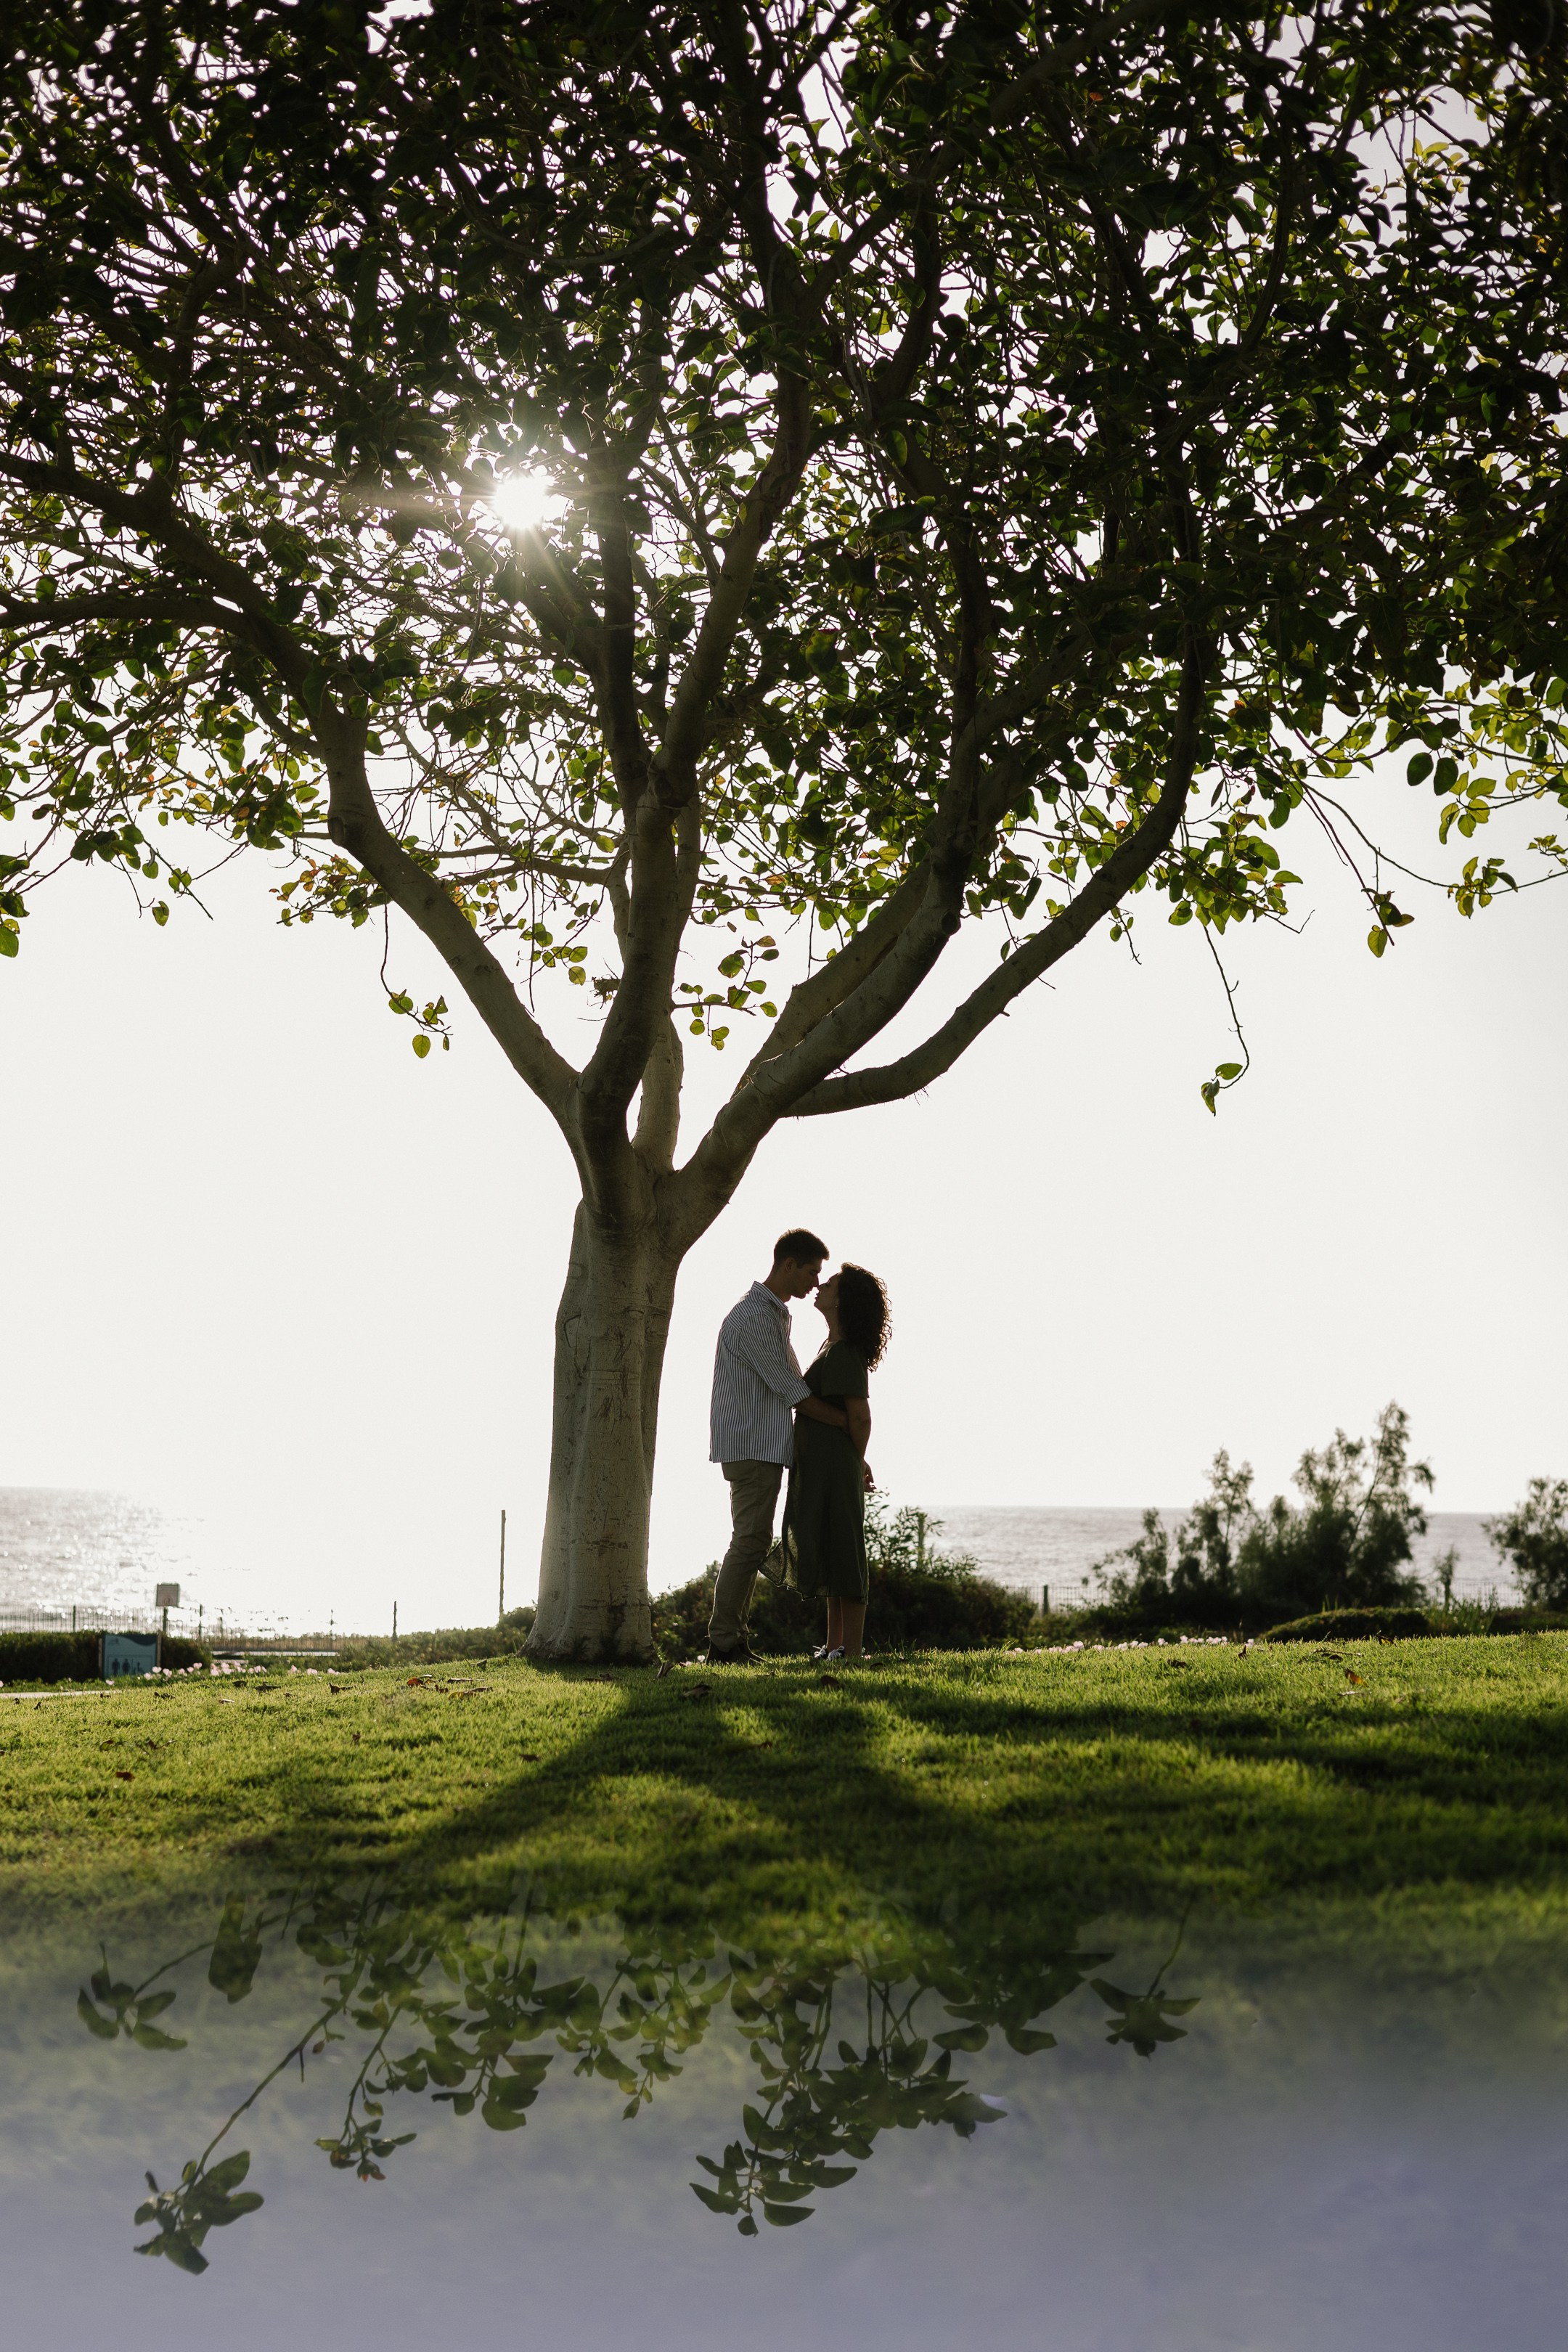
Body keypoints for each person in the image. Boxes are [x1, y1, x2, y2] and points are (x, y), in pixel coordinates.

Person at [706, 1229, 849, 1664]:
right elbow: (795, 1393)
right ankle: (723, 1643)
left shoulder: (771, 1315)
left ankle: (732, 1641)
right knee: (749, 1541)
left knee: (751, 1540)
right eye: (811, 1272)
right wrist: (848, 1422)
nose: (814, 1283)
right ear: (789, 1265)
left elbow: (795, 1386)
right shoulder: (755, 1318)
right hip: (752, 1447)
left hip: (759, 1447)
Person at [783, 1264, 891, 1662]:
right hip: (822, 1464)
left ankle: (853, 1650)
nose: (820, 1285)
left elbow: (859, 1417)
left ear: (843, 1300)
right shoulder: (829, 1347)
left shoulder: (844, 1352)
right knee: (830, 1550)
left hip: (834, 1467)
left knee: (846, 1552)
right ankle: (834, 1646)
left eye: (829, 1284)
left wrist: (856, 1460)